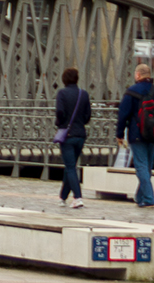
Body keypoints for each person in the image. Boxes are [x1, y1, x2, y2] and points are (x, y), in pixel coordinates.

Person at [114, 60, 154, 208]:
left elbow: (123, 115)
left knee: (141, 166)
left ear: (138, 75)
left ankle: (148, 198)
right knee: (146, 167)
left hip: (136, 134)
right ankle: (139, 196)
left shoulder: (131, 92)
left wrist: (120, 134)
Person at [54, 67, 93, 208]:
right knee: (70, 166)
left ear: (64, 79)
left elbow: (60, 111)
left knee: (70, 167)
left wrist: (60, 123)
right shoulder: (84, 94)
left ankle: (77, 197)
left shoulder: (62, 93)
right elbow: (88, 115)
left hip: (67, 135)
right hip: (80, 135)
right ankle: (62, 197)